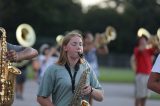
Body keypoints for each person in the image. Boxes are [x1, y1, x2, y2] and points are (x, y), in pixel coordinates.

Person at [37, 31, 104, 106]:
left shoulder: (87, 67)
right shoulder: (53, 69)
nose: (78, 47)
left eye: (81, 44)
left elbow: (101, 96)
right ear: (65, 47)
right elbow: (41, 98)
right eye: (74, 44)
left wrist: (91, 90)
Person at [133, 35, 159, 106]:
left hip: (148, 75)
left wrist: (155, 42)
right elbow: (140, 50)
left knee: (145, 96)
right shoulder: (137, 49)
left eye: (144, 40)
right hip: (140, 75)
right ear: (139, 42)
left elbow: (157, 49)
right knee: (139, 95)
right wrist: (147, 43)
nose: (144, 41)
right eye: (142, 40)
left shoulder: (148, 50)